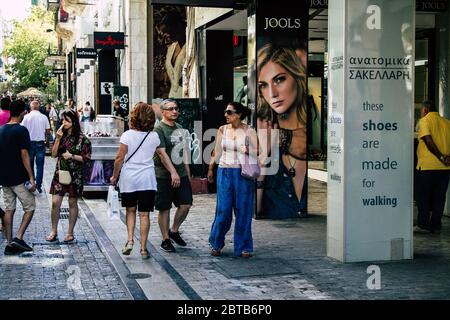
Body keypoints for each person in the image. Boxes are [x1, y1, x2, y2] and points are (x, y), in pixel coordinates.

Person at [256, 44, 308, 218]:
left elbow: (301, 145)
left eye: (279, 79)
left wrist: (281, 138)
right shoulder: (262, 130)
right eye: (263, 85)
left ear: (297, 76)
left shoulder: (304, 137)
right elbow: (255, 209)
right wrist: (264, 158)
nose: (272, 93)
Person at [207, 102, 257, 258]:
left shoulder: (249, 130)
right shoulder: (223, 129)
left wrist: (247, 149)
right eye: (225, 112)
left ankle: (244, 247)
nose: (226, 115)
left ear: (239, 114)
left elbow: (258, 151)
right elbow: (216, 151)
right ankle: (216, 242)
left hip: (243, 174)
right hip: (224, 171)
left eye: (229, 112)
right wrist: (210, 168)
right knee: (223, 210)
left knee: (243, 211)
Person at [110, 102, 160, 259]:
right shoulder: (154, 136)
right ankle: (144, 249)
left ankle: (130, 240)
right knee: (144, 214)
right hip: (147, 179)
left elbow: (119, 158)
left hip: (129, 178)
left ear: (133, 117)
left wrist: (114, 175)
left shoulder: (127, 135)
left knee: (130, 210)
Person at [46, 109, 91, 243]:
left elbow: (87, 158)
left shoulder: (83, 139)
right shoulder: (61, 136)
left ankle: (70, 232)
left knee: (72, 202)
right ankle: (53, 231)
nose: (64, 123)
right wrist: (58, 138)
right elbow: (53, 155)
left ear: (74, 122)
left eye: (67, 120)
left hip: (75, 175)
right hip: (61, 173)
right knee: (55, 203)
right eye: (63, 120)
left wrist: (72, 156)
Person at [154, 98, 193, 253]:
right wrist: (173, 172)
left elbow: (184, 152)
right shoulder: (158, 130)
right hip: (163, 175)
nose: (175, 111)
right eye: (171, 109)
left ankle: (174, 230)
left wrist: (187, 172)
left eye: (176, 108)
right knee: (164, 208)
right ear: (163, 111)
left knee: (186, 204)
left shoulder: (181, 128)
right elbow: (161, 154)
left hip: (181, 174)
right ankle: (165, 239)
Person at [0, 99, 36, 255]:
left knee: (9, 209)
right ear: (22, 112)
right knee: (30, 206)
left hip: (4, 177)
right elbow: (24, 155)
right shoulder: (21, 131)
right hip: (18, 178)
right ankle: (18, 237)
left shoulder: (1, 130)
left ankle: (9, 243)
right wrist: (31, 177)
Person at [414, 100, 450, 234]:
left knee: (423, 196)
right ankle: (435, 224)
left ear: (425, 110)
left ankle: (423, 225)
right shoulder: (447, 123)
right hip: (445, 168)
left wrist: (441, 156)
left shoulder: (424, 121)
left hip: (427, 166)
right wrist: (447, 158)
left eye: (421, 110)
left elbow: (428, 140)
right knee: (439, 197)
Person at [21, 100, 51, 193]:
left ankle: (31, 182)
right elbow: (47, 130)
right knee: (40, 165)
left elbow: (22, 130)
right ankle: (38, 185)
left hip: (29, 143)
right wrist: (47, 140)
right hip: (40, 143)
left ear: (30, 107)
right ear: (38, 107)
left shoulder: (26, 117)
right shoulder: (44, 117)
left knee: (29, 165)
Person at [157, 10, 186, 98]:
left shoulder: (189, 46)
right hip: (173, 96)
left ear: (176, 27)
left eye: (168, 30)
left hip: (186, 95)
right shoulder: (171, 48)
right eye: (164, 32)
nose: (166, 35)